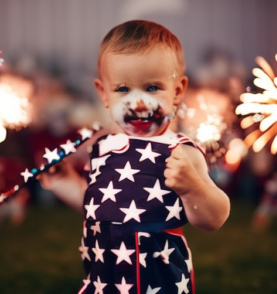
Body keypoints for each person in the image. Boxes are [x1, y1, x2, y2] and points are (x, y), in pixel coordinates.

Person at [39, 20, 230, 294]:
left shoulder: (180, 150)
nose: (138, 102)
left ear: (176, 91)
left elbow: (215, 218)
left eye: (152, 88)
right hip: (104, 274)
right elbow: (97, 205)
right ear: (104, 94)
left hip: (157, 276)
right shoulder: (102, 147)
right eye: (122, 89)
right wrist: (64, 183)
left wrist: (193, 188)